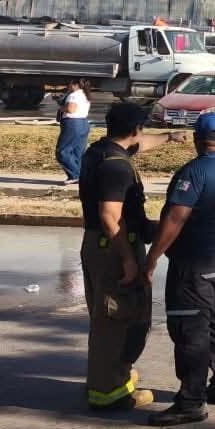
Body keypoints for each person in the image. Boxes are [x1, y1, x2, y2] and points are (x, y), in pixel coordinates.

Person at [144, 112, 215, 427]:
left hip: (195, 264)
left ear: (197, 140)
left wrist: (152, 257)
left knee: (191, 330)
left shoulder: (194, 171)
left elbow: (175, 218)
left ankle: (191, 402)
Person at [77, 102, 187, 410]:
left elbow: (142, 143)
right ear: (135, 129)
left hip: (98, 245)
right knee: (118, 318)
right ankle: (109, 392)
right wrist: (127, 259)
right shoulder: (117, 167)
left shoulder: (100, 151)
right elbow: (110, 217)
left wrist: (169, 137)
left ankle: (110, 375)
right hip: (114, 249)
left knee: (106, 318)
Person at [57, 78, 91, 185]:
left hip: (72, 123)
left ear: (75, 85)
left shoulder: (74, 95)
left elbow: (71, 109)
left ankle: (75, 175)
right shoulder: (85, 95)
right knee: (78, 153)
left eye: (70, 84)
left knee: (62, 151)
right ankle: (82, 176)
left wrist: (61, 108)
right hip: (83, 123)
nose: (68, 86)